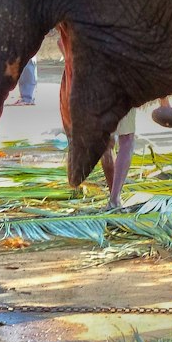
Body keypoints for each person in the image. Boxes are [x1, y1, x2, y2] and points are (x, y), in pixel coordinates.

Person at [57, 23, 135, 207]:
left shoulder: (73, 15)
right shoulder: (116, 12)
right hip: (117, 76)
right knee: (127, 139)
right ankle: (115, 198)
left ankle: (109, 192)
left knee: (106, 143)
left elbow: (62, 43)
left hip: (81, 80)